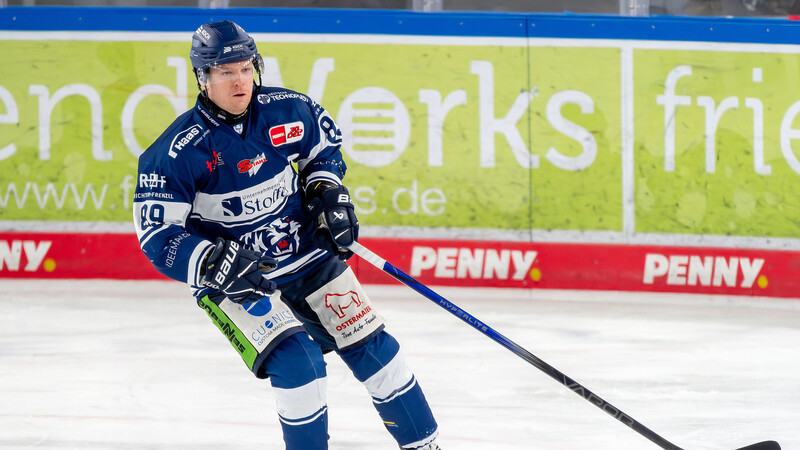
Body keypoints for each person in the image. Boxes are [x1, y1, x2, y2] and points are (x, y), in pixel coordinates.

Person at [133, 20, 440, 450]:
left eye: (245, 68)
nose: (240, 80)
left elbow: (323, 156)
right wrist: (209, 261)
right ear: (202, 78)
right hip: (239, 278)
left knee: (375, 350)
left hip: (306, 255)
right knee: (300, 365)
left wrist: (327, 193)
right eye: (225, 72)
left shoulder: (289, 110)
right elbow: (157, 236)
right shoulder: (177, 152)